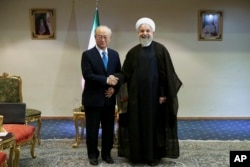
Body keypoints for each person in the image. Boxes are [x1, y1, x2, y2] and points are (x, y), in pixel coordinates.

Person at [113, 17, 182, 166]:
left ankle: (153, 156)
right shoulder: (132, 53)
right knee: (136, 126)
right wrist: (115, 78)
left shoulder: (160, 50)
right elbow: (125, 73)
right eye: (142, 31)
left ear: (153, 32)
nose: (145, 33)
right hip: (136, 98)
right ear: (138, 33)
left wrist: (164, 93)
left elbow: (167, 75)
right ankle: (137, 156)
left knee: (154, 127)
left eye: (147, 30)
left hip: (155, 98)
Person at [81, 25, 121, 165]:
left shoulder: (115, 54)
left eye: (105, 37)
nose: (102, 39)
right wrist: (106, 80)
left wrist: (113, 89)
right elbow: (88, 75)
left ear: (110, 39)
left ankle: (106, 154)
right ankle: (93, 155)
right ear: (95, 37)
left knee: (108, 129)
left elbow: (119, 74)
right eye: (100, 36)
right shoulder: (87, 55)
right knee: (92, 130)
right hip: (92, 100)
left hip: (109, 99)